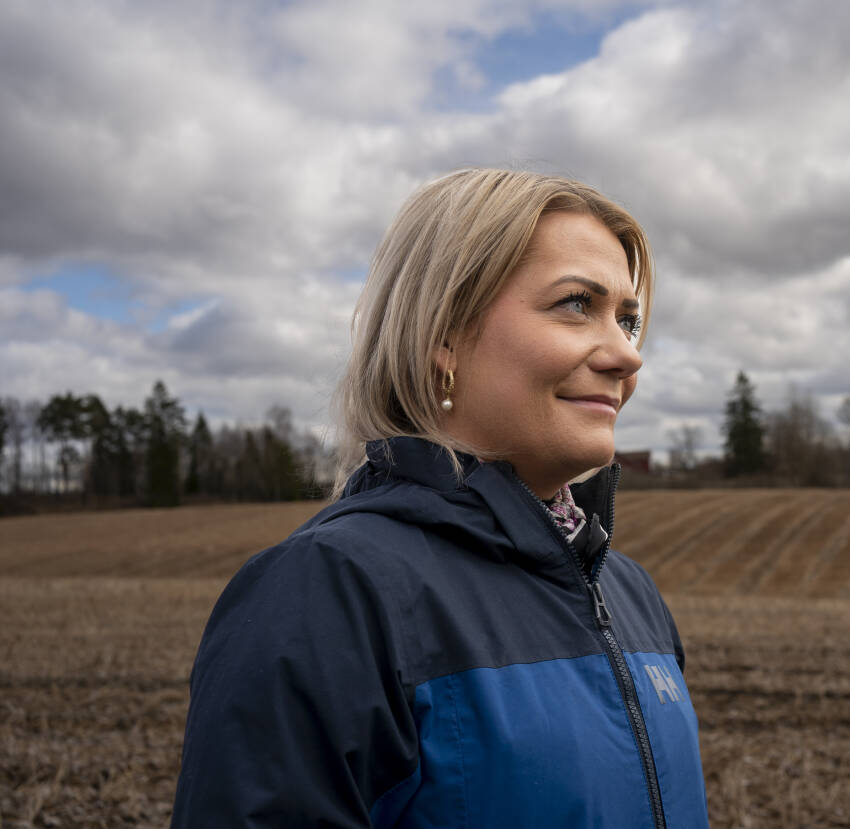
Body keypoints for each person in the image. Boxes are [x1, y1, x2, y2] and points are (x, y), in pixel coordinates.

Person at [171, 169, 709, 827]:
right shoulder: (326, 593)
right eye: (576, 304)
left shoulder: (632, 594)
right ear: (443, 335)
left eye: (627, 319)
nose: (628, 356)